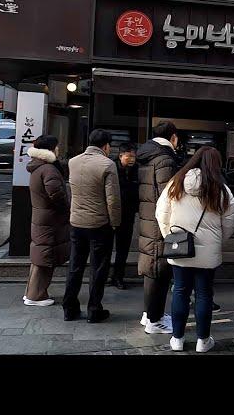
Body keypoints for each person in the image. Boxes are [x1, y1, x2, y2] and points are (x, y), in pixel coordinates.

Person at [156, 146, 234, 353]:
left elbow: (161, 213)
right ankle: (203, 341)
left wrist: (172, 238)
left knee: (180, 291)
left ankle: (177, 339)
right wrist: (217, 241)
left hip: (180, 249)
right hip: (208, 253)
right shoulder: (220, 189)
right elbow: (230, 221)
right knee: (204, 295)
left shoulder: (176, 183)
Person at [63, 129, 121, 323]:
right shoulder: (107, 164)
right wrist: (115, 223)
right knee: (98, 268)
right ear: (106, 146)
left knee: (75, 266)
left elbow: (71, 191)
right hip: (99, 224)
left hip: (77, 222)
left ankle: (69, 309)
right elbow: (112, 200)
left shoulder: (73, 161)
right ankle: (94, 310)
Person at [136, 120, 180, 334]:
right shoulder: (165, 159)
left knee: (151, 267)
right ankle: (155, 320)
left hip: (147, 218)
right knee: (159, 268)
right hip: (159, 221)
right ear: (172, 137)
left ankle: (149, 314)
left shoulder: (146, 157)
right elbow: (168, 195)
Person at [23, 135, 70, 306]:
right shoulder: (49, 169)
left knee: (40, 255)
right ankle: (36, 296)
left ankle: (31, 291)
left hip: (42, 217)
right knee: (45, 256)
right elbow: (57, 196)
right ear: (50, 148)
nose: (59, 149)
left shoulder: (38, 167)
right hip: (50, 220)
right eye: (57, 146)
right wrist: (67, 209)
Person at [107, 142, 139, 290]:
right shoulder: (111, 168)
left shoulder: (137, 170)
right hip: (111, 214)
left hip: (128, 214)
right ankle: (105, 275)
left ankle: (118, 277)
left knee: (123, 248)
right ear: (121, 155)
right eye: (129, 156)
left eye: (133, 156)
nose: (132, 159)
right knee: (106, 248)